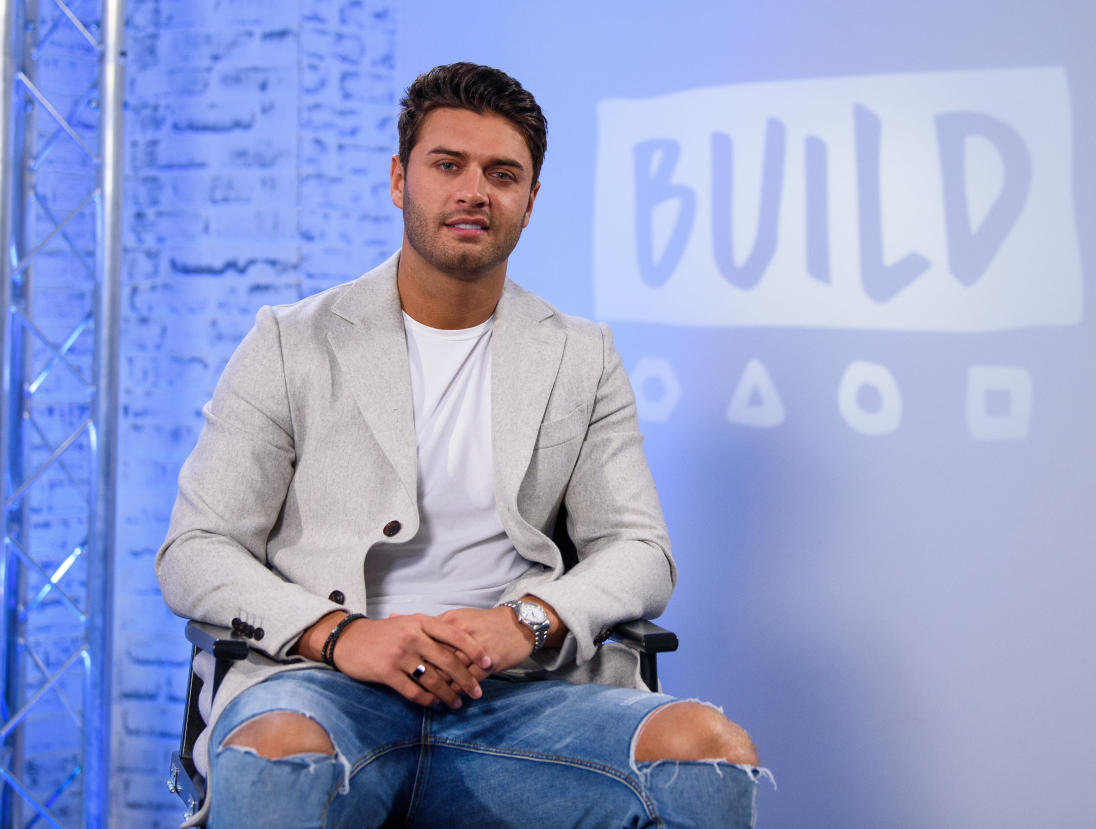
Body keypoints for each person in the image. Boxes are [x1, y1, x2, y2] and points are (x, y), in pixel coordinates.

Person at [157, 62, 764, 828]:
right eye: (448, 165)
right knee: (280, 753)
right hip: (324, 687)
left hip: (521, 701)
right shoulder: (289, 343)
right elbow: (196, 549)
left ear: (531, 201)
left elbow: (640, 549)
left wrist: (526, 620)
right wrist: (343, 635)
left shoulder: (581, 355)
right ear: (398, 179)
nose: (474, 190)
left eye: (502, 173)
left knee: (706, 749)